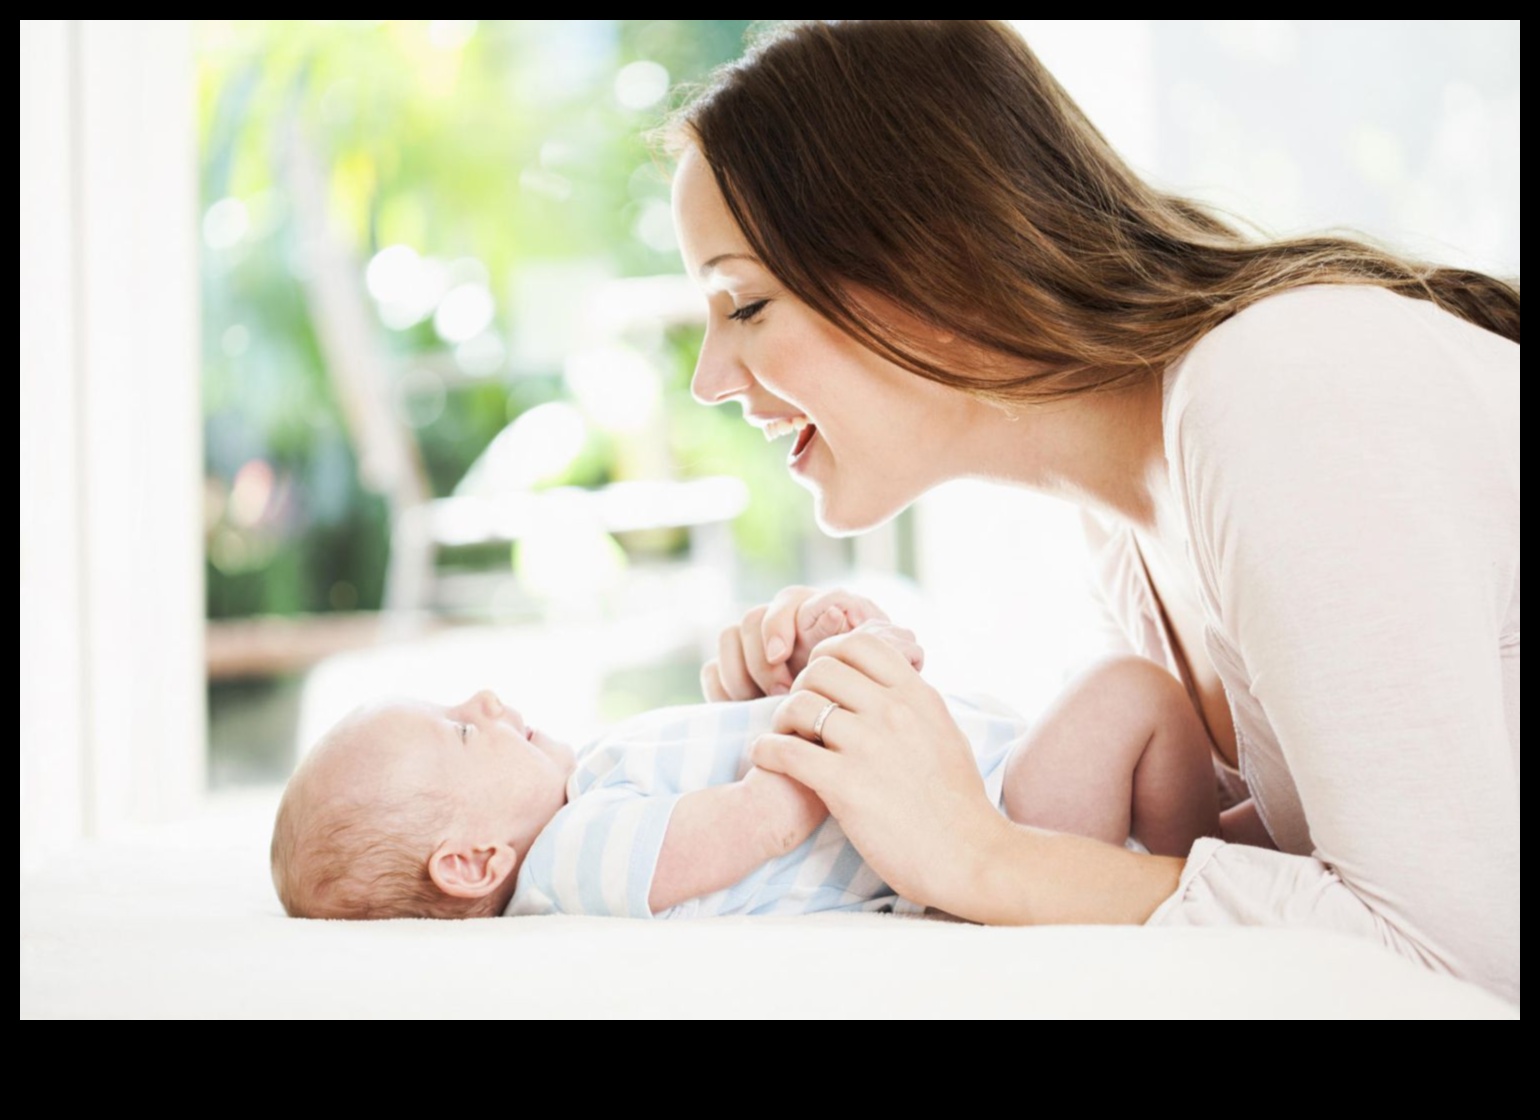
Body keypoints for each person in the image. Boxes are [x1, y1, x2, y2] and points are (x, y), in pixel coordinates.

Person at [668, 21, 1519, 1001]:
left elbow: (1459, 963)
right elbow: (1269, 889)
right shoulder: (1126, 523)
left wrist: (978, 854)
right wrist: (831, 773)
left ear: (927, 257)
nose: (707, 379)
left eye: (742, 303)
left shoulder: (1280, 388)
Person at [270, 614, 1220, 920]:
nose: (481, 701)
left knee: (1128, 706)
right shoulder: (571, 857)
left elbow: (734, 758)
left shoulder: (592, 782)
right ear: (472, 863)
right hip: (1000, 823)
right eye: (460, 733)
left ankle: (1220, 844)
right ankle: (1208, 874)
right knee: (1126, 692)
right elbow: (764, 818)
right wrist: (844, 689)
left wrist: (817, 653)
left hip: (985, 790)